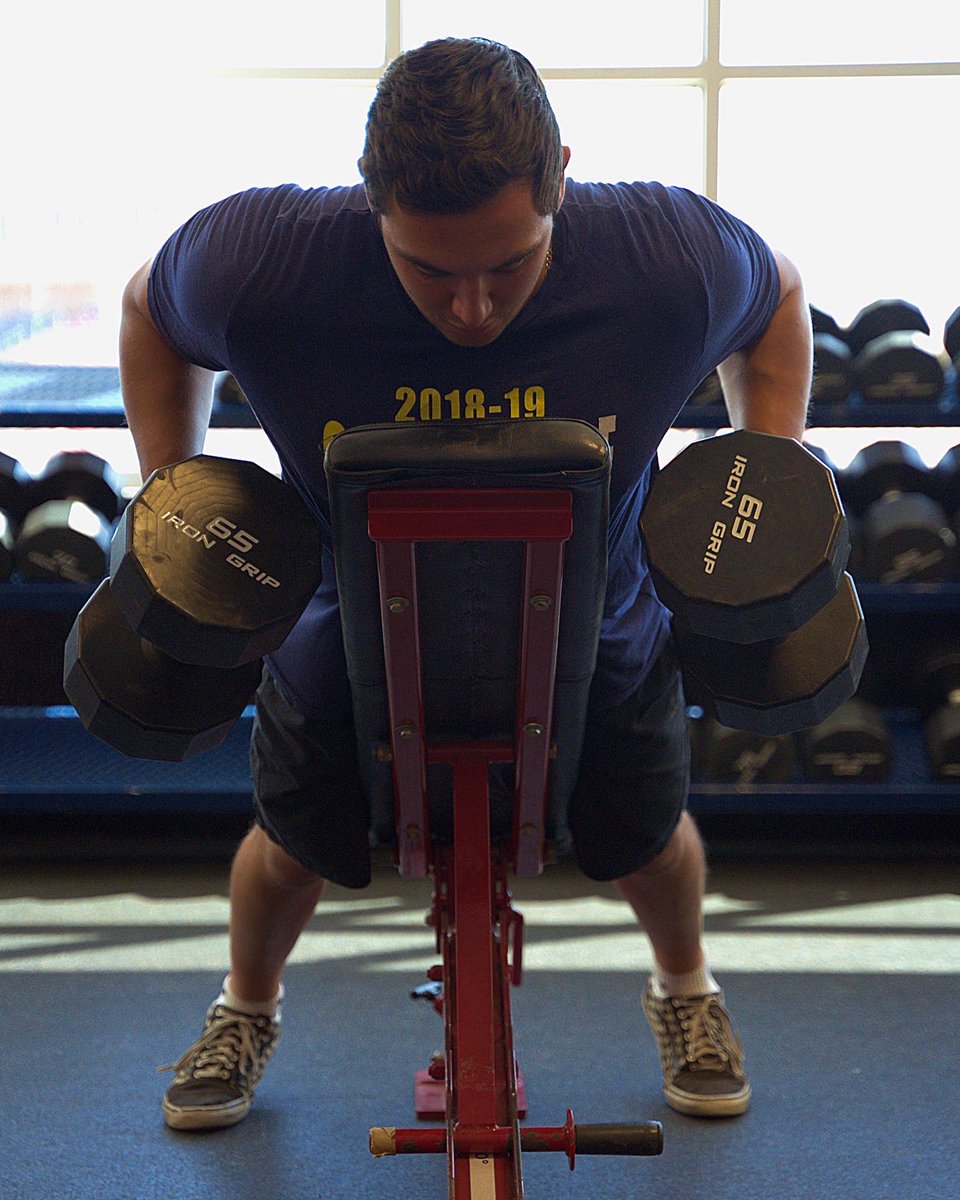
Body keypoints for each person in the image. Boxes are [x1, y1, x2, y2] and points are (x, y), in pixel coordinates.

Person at [121, 37, 811, 1131]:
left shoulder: (663, 255)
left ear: (561, 183)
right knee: (291, 847)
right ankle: (245, 1006)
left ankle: (688, 989)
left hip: (599, 627)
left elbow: (777, 298)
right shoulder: (267, 261)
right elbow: (153, 316)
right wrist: (173, 498)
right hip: (346, 626)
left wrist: (767, 483)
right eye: (431, 271)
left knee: (648, 838)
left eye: (511, 263)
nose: (473, 309)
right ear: (373, 206)